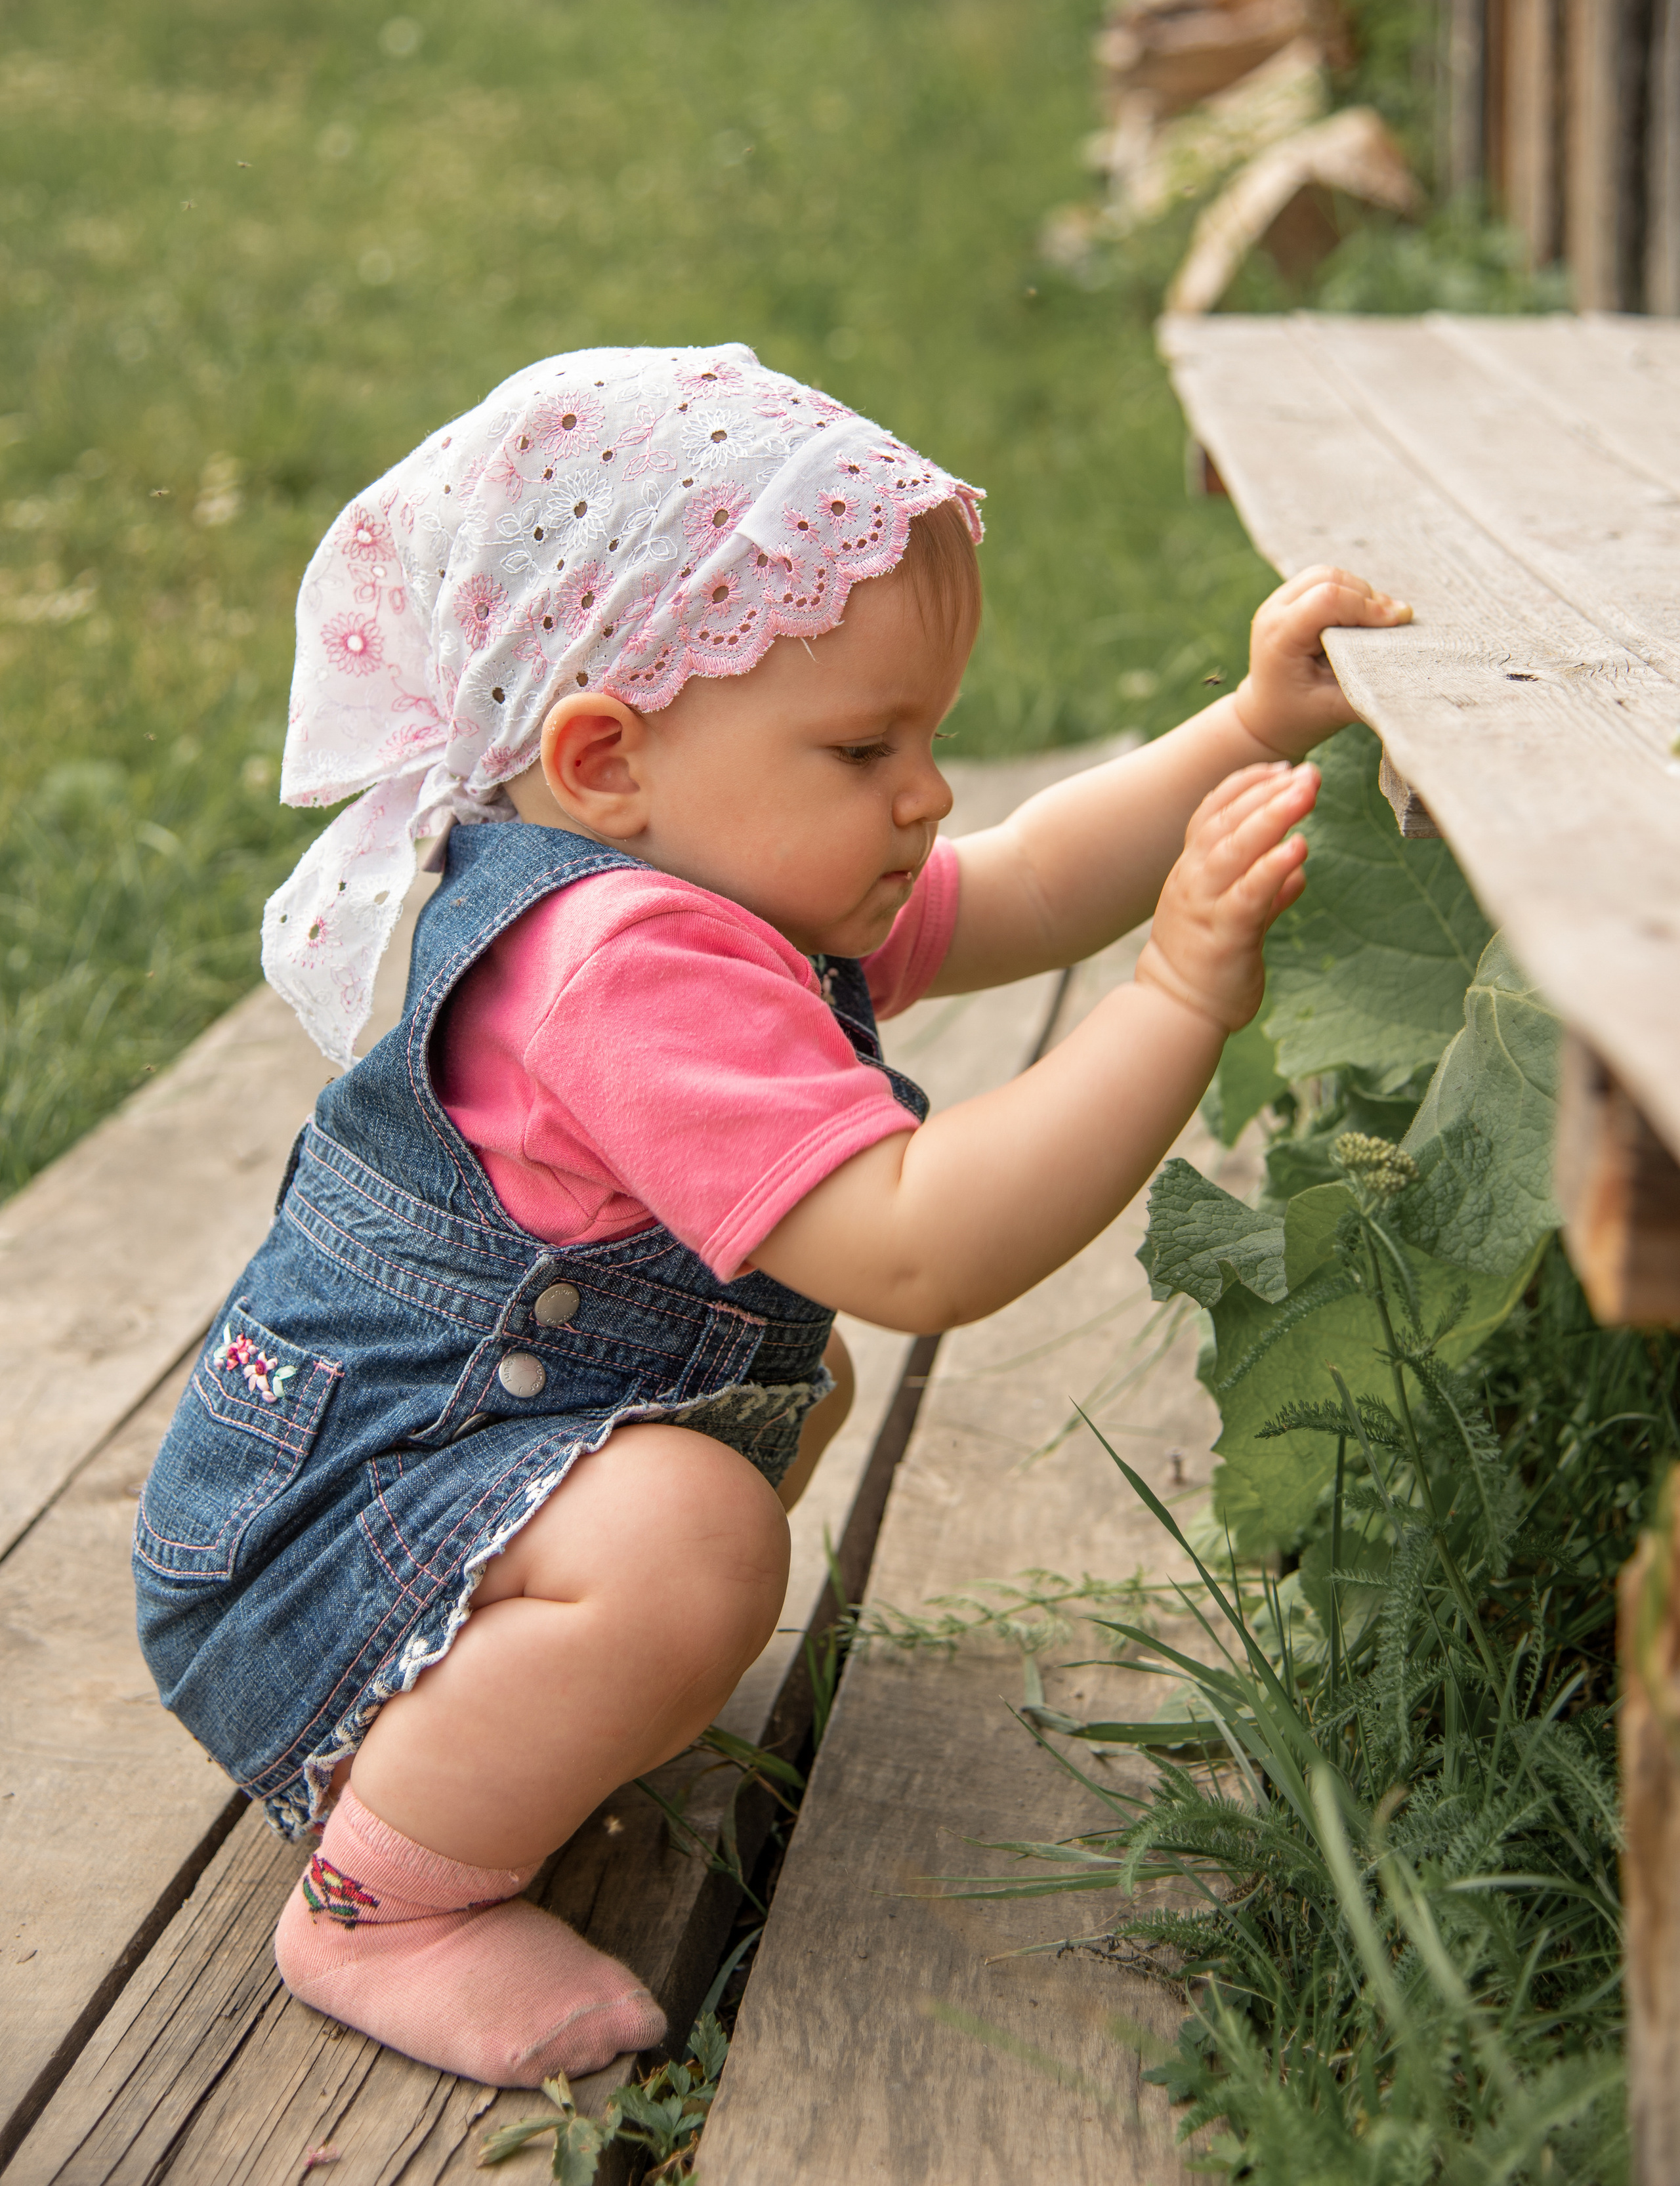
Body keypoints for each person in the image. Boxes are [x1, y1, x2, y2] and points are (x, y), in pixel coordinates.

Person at [132, 344, 1409, 2090]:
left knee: (760, 1426)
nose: (927, 792)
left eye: (929, 737)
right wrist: (1179, 991)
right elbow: (915, 1243)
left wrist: (1249, 725)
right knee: (697, 1537)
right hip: (314, 1569)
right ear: (605, 757)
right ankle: (385, 1903)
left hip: (393, 1492)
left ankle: (536, 1694)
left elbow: (1023, 882)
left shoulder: (710, 863)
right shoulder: (624, 963)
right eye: (867, 744)